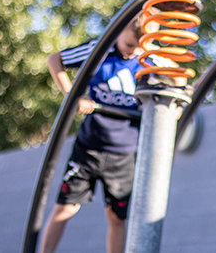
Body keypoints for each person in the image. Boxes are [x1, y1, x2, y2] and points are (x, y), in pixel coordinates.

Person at [40, 18, 174, 253]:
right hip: (89, 147)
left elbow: (179, 77)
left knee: (116, 217)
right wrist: (74, 96)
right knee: (66, 208)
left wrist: (176, 108)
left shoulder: (150, 60)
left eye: (137, 47)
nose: (131, 51)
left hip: (124, 154)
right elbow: (55, 60)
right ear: (120, 31)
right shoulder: (99, 49)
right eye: (129, 44)